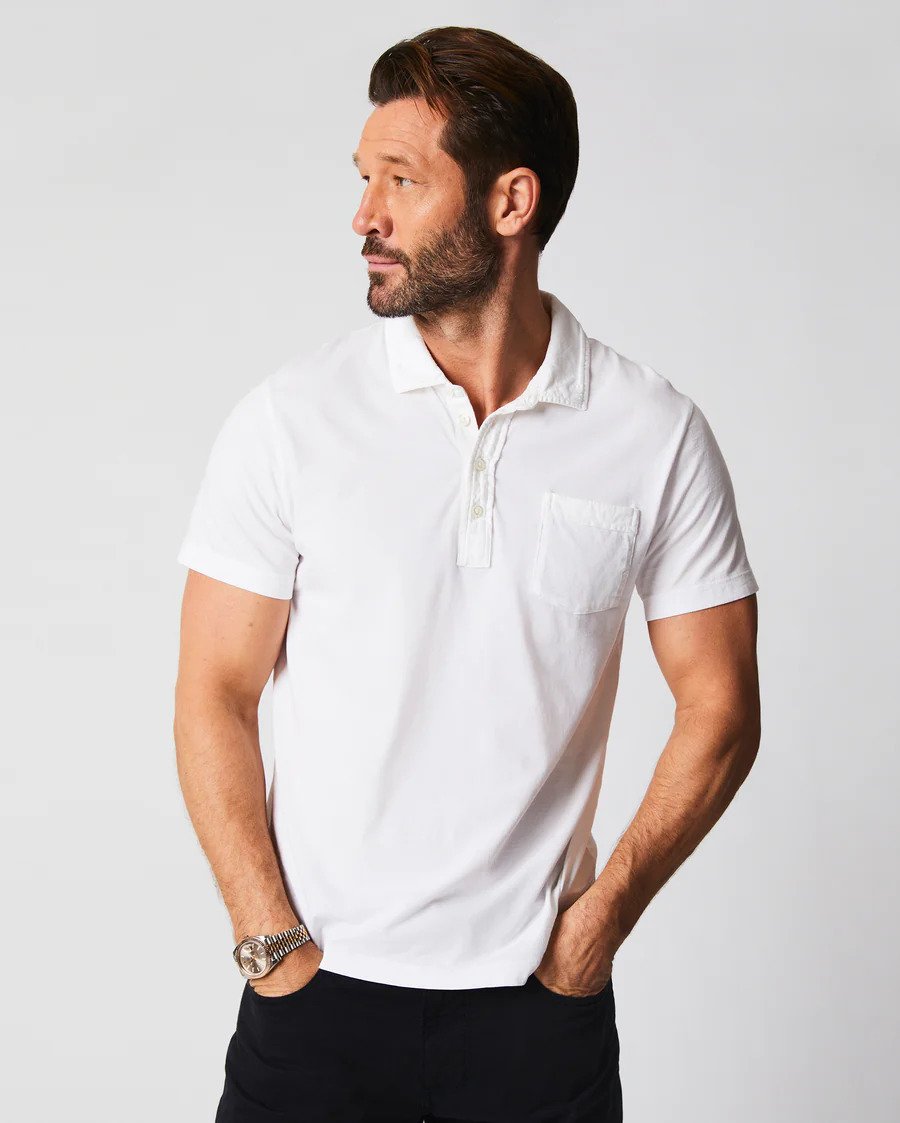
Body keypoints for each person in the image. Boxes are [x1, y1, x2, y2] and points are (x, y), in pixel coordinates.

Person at [174, 25, 761, 1123]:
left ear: (510, 202)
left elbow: (721, 706)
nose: (365, 216)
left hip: (539, 1016)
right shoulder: (290, 421)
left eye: (401, 180)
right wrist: (270, 946)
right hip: (315, 1002)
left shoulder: (654, 434)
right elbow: (214, 690)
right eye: (363, 178)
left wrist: (594, 932)